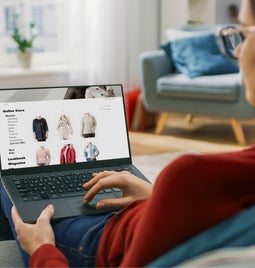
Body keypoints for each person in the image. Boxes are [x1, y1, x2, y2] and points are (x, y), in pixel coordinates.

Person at [2, 0, 255, 266]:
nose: (238, 50)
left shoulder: (194, 174)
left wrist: (42, 249)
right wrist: (156, 196)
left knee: (10, 180)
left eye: (244, 33)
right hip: (136, 215)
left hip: (97, 244)